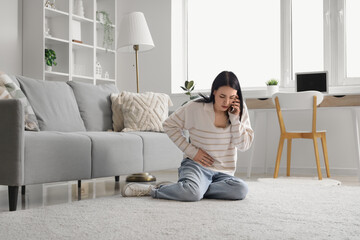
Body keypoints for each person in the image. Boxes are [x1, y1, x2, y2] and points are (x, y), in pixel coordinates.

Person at [122, 71, 254, 201]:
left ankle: (188, 188)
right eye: (222, 96)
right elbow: (169, 125)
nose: (226, 102)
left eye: (232, 97)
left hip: (224, 173)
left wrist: (235, 120)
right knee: (192, 193)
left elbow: (243, 145)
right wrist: (192, 151)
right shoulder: (196, 107)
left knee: (240, 189)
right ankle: (153, 190)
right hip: (197, 167)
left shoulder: (239, 110)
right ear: (214, 91)